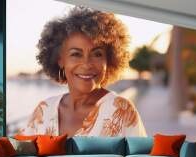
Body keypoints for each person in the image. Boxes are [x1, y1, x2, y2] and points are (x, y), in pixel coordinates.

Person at [19, 6, 147, 137]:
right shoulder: (43, 110)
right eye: (76, 54)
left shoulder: (122, 111)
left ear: (108, 60)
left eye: (97, 54)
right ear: (60, 60)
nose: (87, 64)